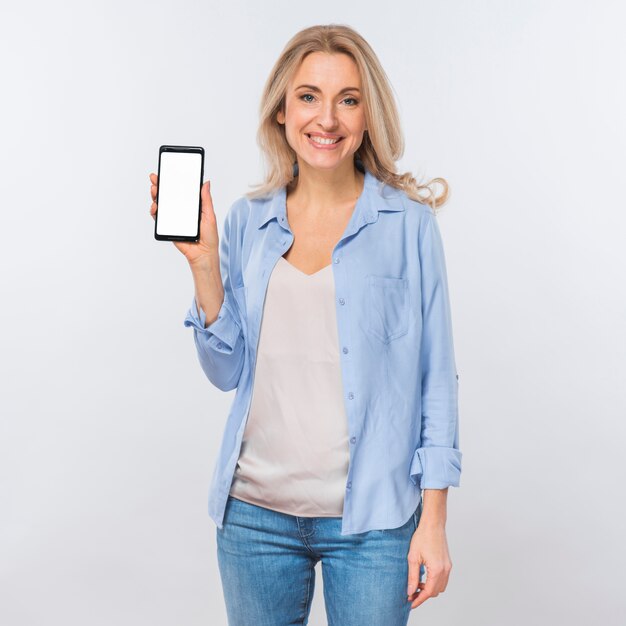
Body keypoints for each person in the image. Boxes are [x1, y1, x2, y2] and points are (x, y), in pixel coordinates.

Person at [149, 23, 461, 626]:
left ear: (368, 114)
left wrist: (435, 522)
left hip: (373, 524)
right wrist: (205, 265)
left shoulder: (408, 227)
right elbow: (226, 372)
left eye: (348, 98)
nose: (328, 118)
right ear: (283, 113)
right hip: (254, 518)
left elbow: (436, 381)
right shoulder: (247, 221)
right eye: (309, 97)